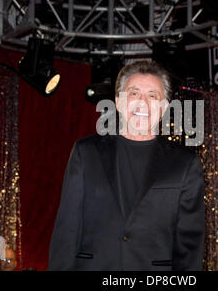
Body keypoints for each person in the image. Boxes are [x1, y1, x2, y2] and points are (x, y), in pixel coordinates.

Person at [48, 61, 205, 271]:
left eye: (152, 96)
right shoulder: (86, 152)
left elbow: (190, 245)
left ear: (165, 108)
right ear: (118, 102)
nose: (143, 103)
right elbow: (67, 230)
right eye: (134, 93)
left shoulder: (185, 163)